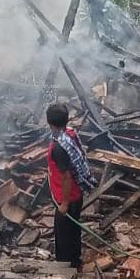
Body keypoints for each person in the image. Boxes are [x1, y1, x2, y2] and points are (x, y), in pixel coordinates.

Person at [45, 102, 96, 269]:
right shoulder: (69, 133)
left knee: (64, 236)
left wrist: (64, 204)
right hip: (76, 193)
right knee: (73, 231)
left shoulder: (58, 148)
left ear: (50, 123)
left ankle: (67, 270)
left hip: (68, 198)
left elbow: (66, 177)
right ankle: (76, 262)